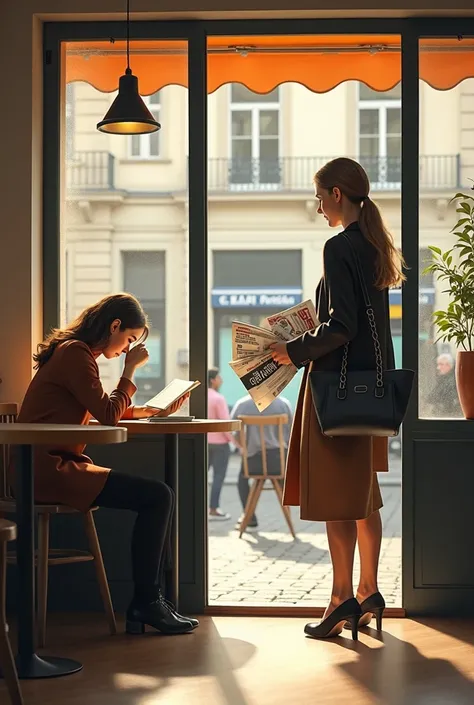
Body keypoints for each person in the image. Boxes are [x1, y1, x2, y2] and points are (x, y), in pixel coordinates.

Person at [270, 157, 404, 640]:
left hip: (337, 394)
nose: (318, 206)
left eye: (319, 195)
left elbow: (342, 328)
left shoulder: (338, 246)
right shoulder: (373, 245)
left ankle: (341, 598)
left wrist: (293, 350)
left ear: (336, 195)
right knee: (364, 497)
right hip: (370, 393)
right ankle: (369, 591)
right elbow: (363, 326)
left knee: (338, 500)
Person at [14, 293, 199, 636]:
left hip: (47, 465)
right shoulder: (76, 354)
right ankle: (147, 602)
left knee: (157, 496)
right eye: (129, 338)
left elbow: (101, 408)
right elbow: (108, 413)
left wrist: (150, 411)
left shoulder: (74, 352)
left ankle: (149, 601)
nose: (128, 348)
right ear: (114, 326)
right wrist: (129, 371)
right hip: (48, 469)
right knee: (158, 496)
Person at [230, 394, 293, 531]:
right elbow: (291, 432)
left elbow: (233, 430)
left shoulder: (242, 404)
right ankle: (288, 514)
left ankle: (249, 516)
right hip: (278, 461)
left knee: (242, 480)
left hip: (253, 460)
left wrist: (243, 446)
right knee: (283, 475)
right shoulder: (283, 404)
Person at [207, 367, 235, 521]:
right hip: (220, 445)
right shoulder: (218, 398)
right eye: (219, 377)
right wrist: (236, 443)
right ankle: (213, 508)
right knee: (218, 477)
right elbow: (225, 425)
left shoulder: (198, 397)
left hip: (204, 442)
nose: (221, 380)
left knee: (200, 476)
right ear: (212, 380)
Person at [427, 353, 462, 417]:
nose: (438, 368)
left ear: (449, 365)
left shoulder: (452, 381)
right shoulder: (443, 379)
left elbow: (449, 401)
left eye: (441, 364)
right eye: (438, 364)